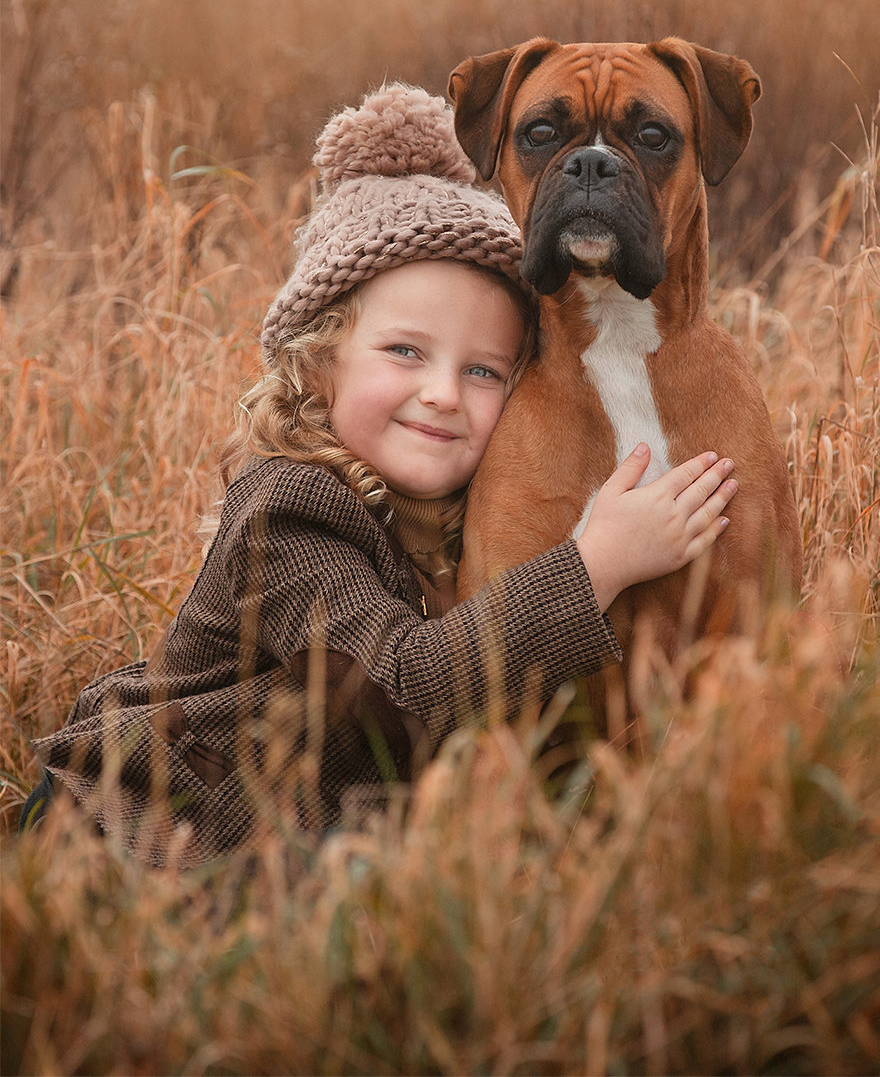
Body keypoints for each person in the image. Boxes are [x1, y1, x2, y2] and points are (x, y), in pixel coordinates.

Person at [24, 85, 737, 865]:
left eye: (484, 371)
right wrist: (596, 563)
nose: (442, 393)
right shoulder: (289, 512)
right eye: (405, 351)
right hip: (129, 823)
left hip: (291, 835)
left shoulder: (455, 511)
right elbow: (403, 686)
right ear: (319, 357)